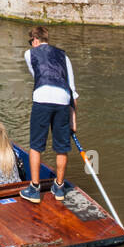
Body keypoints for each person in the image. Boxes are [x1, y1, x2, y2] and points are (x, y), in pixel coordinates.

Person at [20, 25, 78, 205]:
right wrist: (73, 121)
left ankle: (34, 189)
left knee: (36, 145)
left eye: (31, 41)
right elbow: (72, 91)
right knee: (62, 147)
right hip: (63, 100)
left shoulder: (29, 54)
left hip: (42, 98)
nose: (31, 45)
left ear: (35, 40)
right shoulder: (64, 56)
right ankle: (59, 187)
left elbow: (37, 76)